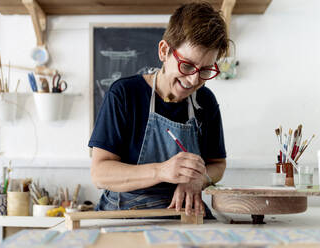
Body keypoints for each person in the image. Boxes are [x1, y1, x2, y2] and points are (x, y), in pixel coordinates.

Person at [88, 1, 228, 219]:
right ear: (164, 51)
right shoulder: (124, 94)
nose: (193, 79)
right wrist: (162, 170)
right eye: (187, 65)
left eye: (206, 70)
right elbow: (99, 173)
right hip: (125, 216)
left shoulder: (206, 101)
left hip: (184, 214)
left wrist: (198, 180)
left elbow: (218, 165)